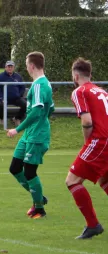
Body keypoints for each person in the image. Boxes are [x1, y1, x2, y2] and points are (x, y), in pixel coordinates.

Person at [6, 51, 54, 219]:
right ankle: (38, 197)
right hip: (30, 134)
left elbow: (37, 111)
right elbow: (51, 109)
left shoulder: (40, 84)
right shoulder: (41, 83)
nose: (26, 68)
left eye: (27, 65)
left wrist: (17, 129)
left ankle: (39, 208)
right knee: (15, 168)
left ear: (32, 66)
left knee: (30, 172)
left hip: (36, 136)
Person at [65, 57, 108, 239]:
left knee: (72, 181)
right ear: (90, 74)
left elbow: (87, 120)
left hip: (100, 140)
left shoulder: (79, 91)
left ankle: (93, 225)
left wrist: (86, 143)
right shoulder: (102, 91)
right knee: (105, 181)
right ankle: (92, 226)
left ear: (75, 76)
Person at [0, 60, 26, 126]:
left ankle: (17, 118)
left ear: (14, 68)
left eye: (11, 67)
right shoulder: (0, 77)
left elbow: (22, 87)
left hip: (16, 98)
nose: (10, 68)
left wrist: (19, 95)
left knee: (25, 104)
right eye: (8, 67)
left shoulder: (18, 76)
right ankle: (2, 118)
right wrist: (1, 98)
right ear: (5, 67)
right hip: (4, 98)